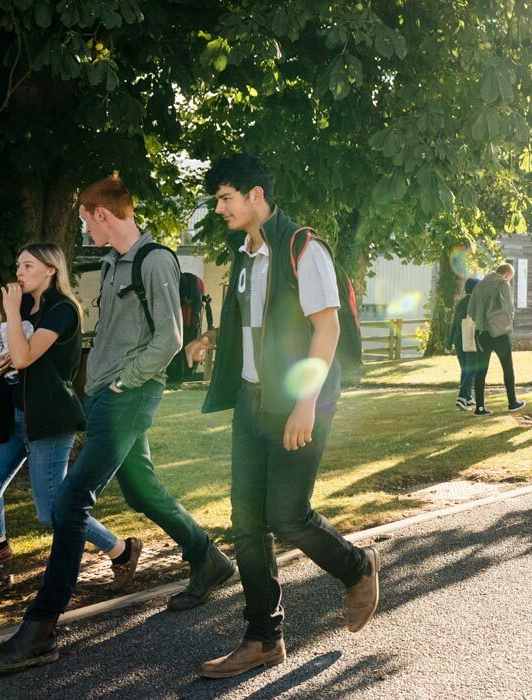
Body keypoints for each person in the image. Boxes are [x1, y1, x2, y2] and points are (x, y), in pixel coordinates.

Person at [0, 176, 231, 673]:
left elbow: (170, 337)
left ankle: (40, 629)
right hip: (106, 396)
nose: (83, 229)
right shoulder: (113, 263)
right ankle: (209, 559)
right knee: (140, 492)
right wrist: (100, 385)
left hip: (128, 395)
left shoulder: (156, 260)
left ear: (102, 215)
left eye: (84, 220)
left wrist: (122, 383)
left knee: (69, 502)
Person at [172, 154, 380, 678]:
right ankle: (263, 638)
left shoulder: (302, 248)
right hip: (251, 402)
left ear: (255, 197)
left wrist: (306, 403)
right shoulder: (246, 255)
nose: (219, 208)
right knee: (246, 525)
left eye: (225, 198)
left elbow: (326, 329)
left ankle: (358, 566)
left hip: (297, 401)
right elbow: (255, 322)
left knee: (287, 516)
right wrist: (211, 338)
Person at [0, 244, 137, 620]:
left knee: (51, 511)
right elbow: (13, 357)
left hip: (48, 421)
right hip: (12, 418)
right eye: (17, 263)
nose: (19, 271)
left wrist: (10, 312)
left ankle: (120, 549)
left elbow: (27, 356)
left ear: (50, 270)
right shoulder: (27, 308)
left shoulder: (62, 310)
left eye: (28, 265)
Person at [468, 263, 526, 416]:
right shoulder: (503, 284)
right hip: (499, 333)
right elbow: (509, 309)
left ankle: (480, 407)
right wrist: (506, 325)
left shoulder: (479, 286)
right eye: (510, 278)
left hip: (482, 333)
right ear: (507, 274)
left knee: (481, 370)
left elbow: (471, 311)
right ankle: (512, 402)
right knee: (507, 368)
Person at [453, 277, 481, 410]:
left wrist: (449, 341)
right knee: (473, 369)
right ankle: (462, 397)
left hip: (458, 339)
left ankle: (469, 398)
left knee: (464, 369)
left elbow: (454, 323)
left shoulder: (460, 303)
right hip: (470, 338)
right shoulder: (476, 302)